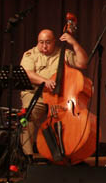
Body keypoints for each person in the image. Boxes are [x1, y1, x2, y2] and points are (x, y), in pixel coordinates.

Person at [20, 29, 88, 157]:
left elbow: (82, 63)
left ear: (54, 42)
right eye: (41, 42)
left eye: (48, 42)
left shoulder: (63, 53)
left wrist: (74, 43)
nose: (44, 46)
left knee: (68, 123)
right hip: (36, 95)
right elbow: (27, 73)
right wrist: (44, 81)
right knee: (26, 117)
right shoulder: (30, 54)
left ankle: (66, 154)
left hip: (58, 97)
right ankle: (27, 157)